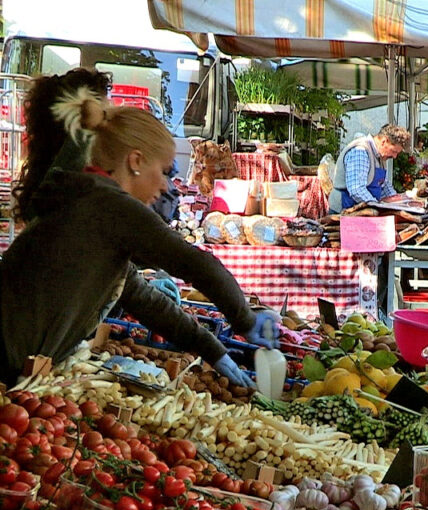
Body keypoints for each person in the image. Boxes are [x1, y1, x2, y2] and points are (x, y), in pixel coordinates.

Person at [0, 68, 278, 388]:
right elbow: (197, 263)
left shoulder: (89, 199)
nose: (165, 186)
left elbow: (139, 295)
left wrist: (214, 350)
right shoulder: (108, 203)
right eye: (162, 171)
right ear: (135, 161)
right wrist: (246, 319)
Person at [329, 124, 410, 213]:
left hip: (363, 210)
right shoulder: (360, 151)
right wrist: (377, 207)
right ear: (384, 141)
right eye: (394, 151)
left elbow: (384, 185)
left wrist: (397, 202)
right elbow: (356, 189)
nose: (394, 156)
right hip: (344, 209)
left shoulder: (380, 156)